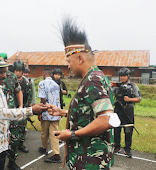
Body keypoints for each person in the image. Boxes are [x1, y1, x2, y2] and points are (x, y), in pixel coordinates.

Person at [47, 17, 119, 170]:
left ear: (79, 58)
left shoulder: (93, 80)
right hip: (89, 158)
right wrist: (64, 112)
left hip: (89, 161)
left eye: (69, 61)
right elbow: (91, 113)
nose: (68, 67)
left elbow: (106, 119)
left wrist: (72, 135)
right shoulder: (96, 76)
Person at [0, 55, 46, 170]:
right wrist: (30, 110)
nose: (4, 76)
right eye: (0, 72)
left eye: (4, 72)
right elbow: (2, 113)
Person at [0, 54, 24, 170]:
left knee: (14, 139)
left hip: (12, 113)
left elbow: (18, 91)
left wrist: (20, 106)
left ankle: (12, 162)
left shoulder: (11, 76)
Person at [112, 67, 141, 158]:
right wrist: (110, 86)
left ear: (128, 75)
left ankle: (127, 149)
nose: (122, 78)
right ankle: (117, 147)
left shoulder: (133, 86)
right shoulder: (116, 85)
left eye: (124, 76)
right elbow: (109, 93)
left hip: (128, 110)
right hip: (118, 110)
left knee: (128, 130)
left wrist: (129, 99)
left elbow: (139, 98)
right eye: (121, 76)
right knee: (116, 129)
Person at [37, 68, 62, 163]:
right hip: (55, 111)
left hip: (47, 111)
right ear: (51, 75)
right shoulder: (56, 84)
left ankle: (44, 148)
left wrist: (40, 112)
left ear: (44, 74)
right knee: (54, 132)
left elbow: (43, 99)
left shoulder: (42, 83)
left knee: (44, 131)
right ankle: (56, 154)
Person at [13, 60, 33, 153]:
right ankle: (11, 145)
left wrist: (27, 109)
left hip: (23, 108)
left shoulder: (26, 82)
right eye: (16, 70)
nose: (18, 72)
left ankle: (21, 144)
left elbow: (29, 96)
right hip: (12, 108)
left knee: (22, 128)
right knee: (12, 127)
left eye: (20, 71)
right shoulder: (9, 81)